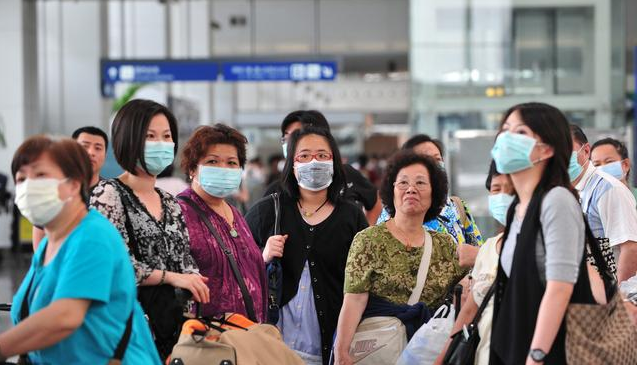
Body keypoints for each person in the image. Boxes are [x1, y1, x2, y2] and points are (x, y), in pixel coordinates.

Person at [0, 136, 160, 364]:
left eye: (40, 175)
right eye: (21, 178)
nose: (28, 186)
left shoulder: (92, 236)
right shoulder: (50, 242)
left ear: (74, 184)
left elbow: (65, 317)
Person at [90, 99, 209, 358]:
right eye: (150, 136)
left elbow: (183, 259)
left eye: (167, 136)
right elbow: (116, 267)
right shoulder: (109, 194)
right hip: (130, 330)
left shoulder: (170, 201)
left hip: (174, 329)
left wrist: (193, 278)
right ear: (128, 139)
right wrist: (174, 277)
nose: (161, 144)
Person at [489, 102, 601, 364]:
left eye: (521, 132)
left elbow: (560, 287)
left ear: (547, 149)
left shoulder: (557, 200)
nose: (506, 137)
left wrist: (536, 355)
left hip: (553, 352)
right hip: (516, 346)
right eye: (505, 129)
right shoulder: (517, 208)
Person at [246, 126, 368, 365]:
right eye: (304, 156)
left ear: (334, 162)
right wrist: (263, 256)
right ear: (292, 164)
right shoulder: (269, 210)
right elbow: (238, 271)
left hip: (328, 346)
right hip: (273, 347)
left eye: (322, 155)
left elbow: (365, 282)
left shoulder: (351, 217)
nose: (314, 162)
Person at [334, 151, 466, 365]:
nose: (411, 189)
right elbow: (354, 301)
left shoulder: (445, 245)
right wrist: (341, 352)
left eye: (421, 183)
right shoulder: (369, 240)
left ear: (434, 193)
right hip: (377, 351)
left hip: (426, 353)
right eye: (403, 182)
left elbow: (463, 293)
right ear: (392, 190)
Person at [177, 124, 267, 321]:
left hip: (250, 337)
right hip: (210, 341)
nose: (223, 169)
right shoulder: (179, 213)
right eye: (212, 161)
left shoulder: (235, 213)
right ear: (193, 168)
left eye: (232, 163)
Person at [434, 162, 514, 365]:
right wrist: (443, 358)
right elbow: (469, 311)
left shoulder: (540, 244)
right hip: (485, 355)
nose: (503, 196)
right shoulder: (488, 248)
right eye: (496, 189)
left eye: (511, 190)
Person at [377, 134, 484, 266]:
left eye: (438, 159)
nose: (434, 164)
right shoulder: (393, 213)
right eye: (426, 159)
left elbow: (478, 253)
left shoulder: (457, 206)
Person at [264, 110, 382, 225]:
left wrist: (363, 234)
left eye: (297, 134)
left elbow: (374, 201)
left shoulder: (347, 176)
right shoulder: (277, 190)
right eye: (286, 137)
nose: (291, 142)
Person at [570, 125, 637, 282]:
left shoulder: (607, 188)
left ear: (586, 151)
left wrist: (617, 297)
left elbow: (631, 248)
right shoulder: (574, 190)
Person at [32, 126, 109, 250]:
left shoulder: (112, 192)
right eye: (85, 146)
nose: (91, 152)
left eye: (98, 148)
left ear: (105, 155)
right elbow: (40, 239)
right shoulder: (55, 190)